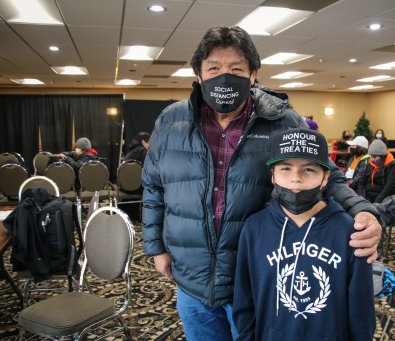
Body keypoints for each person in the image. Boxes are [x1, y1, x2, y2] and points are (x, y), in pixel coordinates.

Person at [142, 26, 381, 341]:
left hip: (258, 278)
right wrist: (156, 248)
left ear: (253, 74)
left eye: (236, 69)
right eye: (213, 68)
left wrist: (365, 211)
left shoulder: (283, 121)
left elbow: (327, 174)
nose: (224, 76)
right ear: (198, 74)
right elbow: (153, 187)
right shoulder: (171, 121)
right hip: (191, 276)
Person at [233, 127, 376, 340]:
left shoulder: (349, 231)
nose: (296, 179)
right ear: (272, 175)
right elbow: (244, 301)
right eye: (285, 168)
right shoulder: (254, 228)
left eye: (309, 169)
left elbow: (361, 308)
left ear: (326, 177)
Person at [356, 140, 395, 204]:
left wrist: (376, 203)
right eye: (371, 156)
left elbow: (389, 188)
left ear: (383, 156)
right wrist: (361, 198)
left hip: (383, 199)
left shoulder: (392, 166)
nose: (373, 160)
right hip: (368, 197)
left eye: (375, 157)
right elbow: (361, 182)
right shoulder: (370, 164)